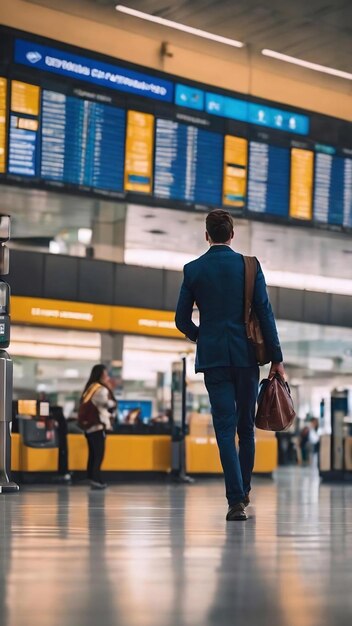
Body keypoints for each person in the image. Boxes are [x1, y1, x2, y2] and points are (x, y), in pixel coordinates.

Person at [175, 209, 285, 521]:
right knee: (245, 427)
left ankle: (235, 500)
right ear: (232, 234)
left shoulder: (193, 269)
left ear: (206, 235)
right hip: (247, 356)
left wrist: (202, 337)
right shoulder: (249, 266)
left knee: (223, 428)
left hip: (213, 360)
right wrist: (277, 358)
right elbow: (264, 312)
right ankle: (244, 489)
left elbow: (181, 319)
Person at [80, 364, 116, 490]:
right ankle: (96, 479)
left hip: (88, 426)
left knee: (92, 453)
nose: (107, 377)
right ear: (101, 375)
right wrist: (113, 402)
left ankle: (92, 477)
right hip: (98, 426)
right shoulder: (101, 389)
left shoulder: (90, 388)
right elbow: (107, 403)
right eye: (106, 374)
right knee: (98, 454)